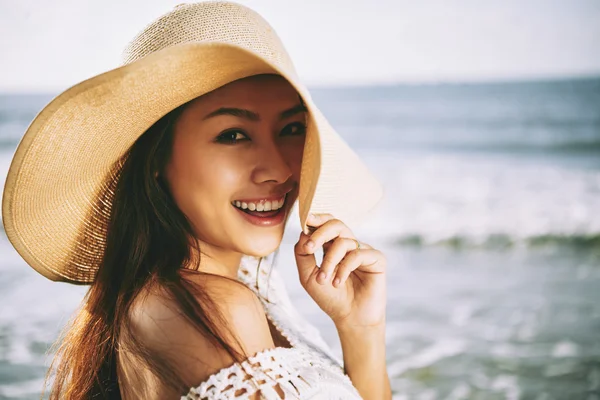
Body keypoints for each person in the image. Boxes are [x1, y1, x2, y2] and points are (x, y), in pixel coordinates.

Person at [2, 2, 390, 399]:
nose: (278, 169)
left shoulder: (250, 287)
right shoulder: (211, 307)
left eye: (291, 128)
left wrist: (360, 328)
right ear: (156, 158)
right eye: (234, 135)